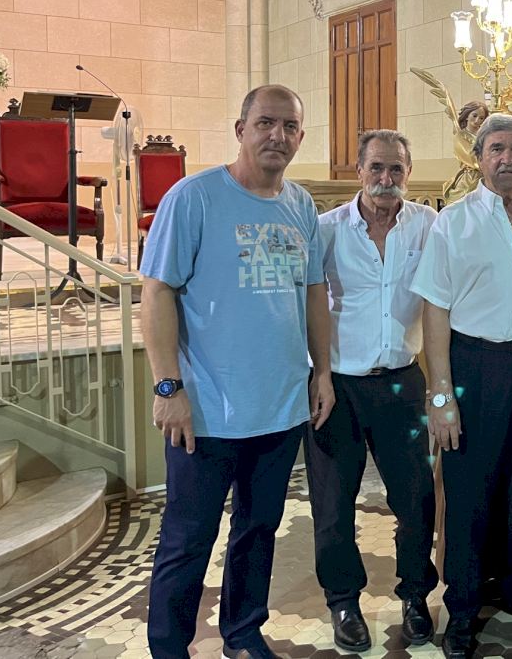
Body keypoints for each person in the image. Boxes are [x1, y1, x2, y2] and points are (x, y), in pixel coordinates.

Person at [143, 85, 334, 659]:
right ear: (241, 129)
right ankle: (169, 648)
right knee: (188, 539)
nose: (278, 135)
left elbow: (314, 294)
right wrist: (168, 385)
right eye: (266, 123)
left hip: (279, 407)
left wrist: (322, 372)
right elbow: (157, 293)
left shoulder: (301, 206)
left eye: (290, 126)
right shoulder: (194, 198)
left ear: (300, 137)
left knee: (258, 530)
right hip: (206, 411)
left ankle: (243, 633)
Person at [411, 113, 512, 659]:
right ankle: (462, 607)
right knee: (470, 493)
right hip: (474, 366)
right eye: (496, 148)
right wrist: (441, 395)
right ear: (478, 158)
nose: (507, 158)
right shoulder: (452, 222)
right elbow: (435, 311)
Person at [304, 130, 438, 653]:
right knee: (334, 504)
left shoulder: (427, 225)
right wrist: (318, 374)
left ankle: (415, 595)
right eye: (376, 168)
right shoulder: (327, 230)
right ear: (358, 171)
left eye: (396, 169)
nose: (386, 179)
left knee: (416, 500)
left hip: (402, 382)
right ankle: (343, 601)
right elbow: (307, 304)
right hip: (337, 385)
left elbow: (440, 301)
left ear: (408, 173)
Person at [444, 101, 487, 204]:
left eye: (481, 118)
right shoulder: (460, 136)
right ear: (467, 116)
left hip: (486, 178)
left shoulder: (485, 136)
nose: (477, 120)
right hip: (469, 179)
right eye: (474, 116)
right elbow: (471, 157)